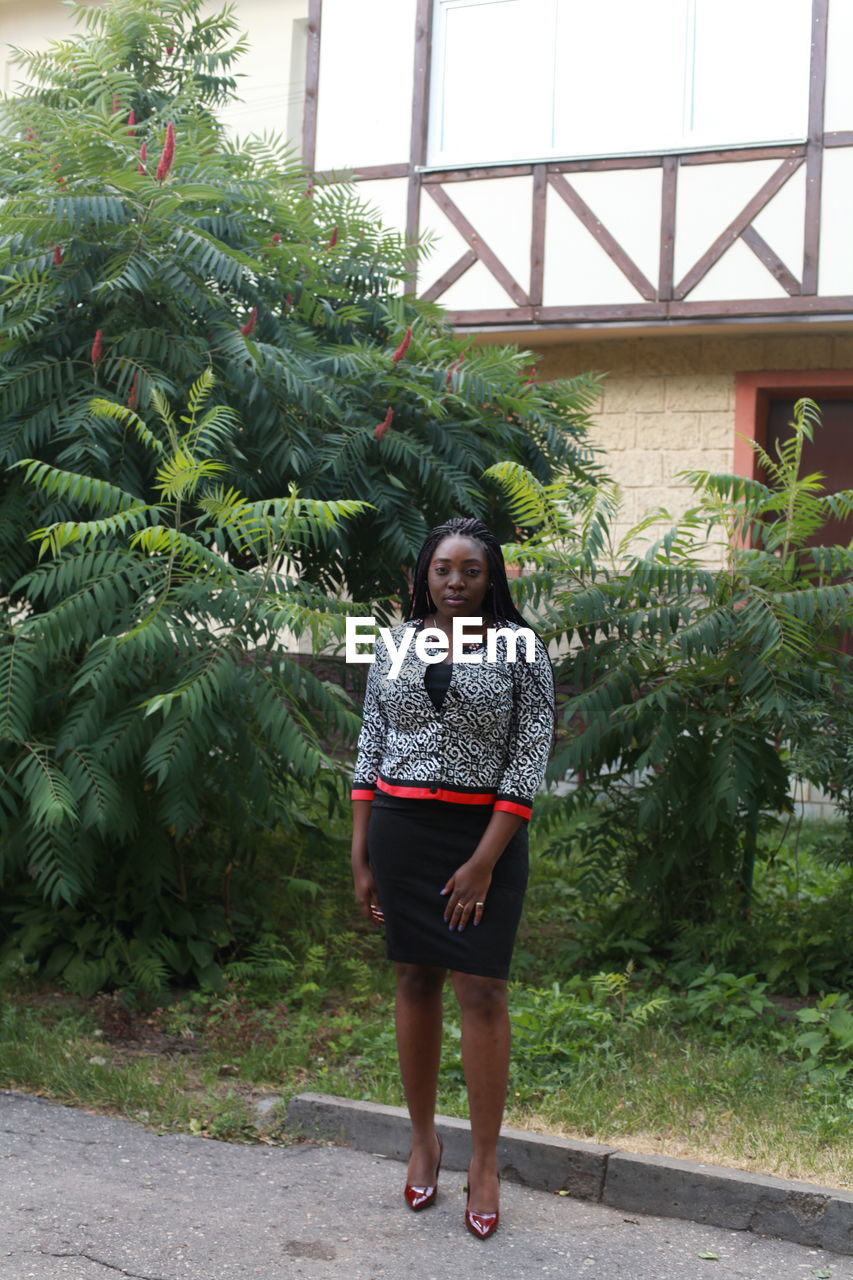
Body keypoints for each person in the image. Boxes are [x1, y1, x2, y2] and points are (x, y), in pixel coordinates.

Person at [350, 516, 555, 1239]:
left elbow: (528, 758)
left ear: (491, 577)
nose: (456, 582)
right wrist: (360, 850)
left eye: (471, 570)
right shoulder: (394, 643)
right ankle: (422, 1141)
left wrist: (482, 862)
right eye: (443, 569)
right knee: (412, 978)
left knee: (482, 988)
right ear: (422, 577)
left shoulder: (521, 649)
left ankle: (486, 1159)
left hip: (484, 837)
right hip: (400, 831)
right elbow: (371, 742)